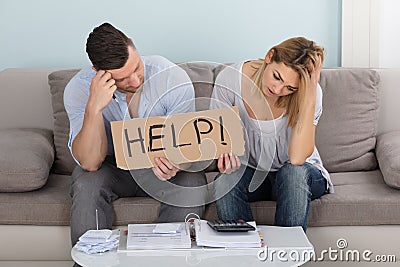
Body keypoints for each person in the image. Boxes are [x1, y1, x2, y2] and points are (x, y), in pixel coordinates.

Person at [64, 22, 207, 248]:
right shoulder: (78, 89)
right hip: (112, 169)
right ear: (97, 71)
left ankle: (171, 260)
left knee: (192, 182)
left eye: (137, 67)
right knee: (86, 181)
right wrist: (94, 107)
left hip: (158, 167)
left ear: (133, 44)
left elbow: (186, 147)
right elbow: (90, 163)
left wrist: (178, 162)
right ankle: (90, 260)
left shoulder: (170, 77)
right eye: (121, 79)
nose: (135, 81)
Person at [211, 37, 333, 232]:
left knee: (292, 173)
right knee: (224, 181)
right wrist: (227, 157)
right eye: (277, 77)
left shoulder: (310, 92)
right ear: (269, 56)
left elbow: (297, 158)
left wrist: (309, 97)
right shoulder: (230, 79)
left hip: (302, 175)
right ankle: (248, 255)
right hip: (254, 173)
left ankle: (287, 258)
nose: (277, 90)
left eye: (290, 88)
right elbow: (221, 141)